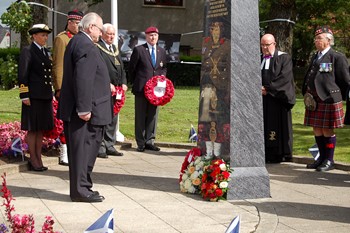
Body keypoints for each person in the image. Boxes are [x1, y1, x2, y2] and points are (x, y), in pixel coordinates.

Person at [58, 12, 111, 202]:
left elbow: (90, 75)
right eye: (100, 28)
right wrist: (83, 108)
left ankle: (84, 187)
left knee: (84, 152)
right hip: (85, 112)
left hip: (86, 109)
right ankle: (81, 190)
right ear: (91, 27)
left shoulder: (79, 41)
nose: (102, 32)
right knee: (82, 152)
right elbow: (83, 77)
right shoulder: (85, 44)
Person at [302, 26, 350, 172]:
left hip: (328, 99)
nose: (316, 41)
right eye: (315, 38)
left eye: (319, 38)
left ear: (329, 40)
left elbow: (345, 80)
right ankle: (321, 159)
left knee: (327, 130)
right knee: (317, 129)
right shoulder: (315, 56)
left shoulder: (337, 57)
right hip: (314, 99)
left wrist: (335, 96)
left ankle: (329, 160)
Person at [18, 24, 53, 172]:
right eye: (42, 35)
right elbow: (22, 74)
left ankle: (38, 157)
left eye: (46, 35)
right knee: (33, 129)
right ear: (34, 36)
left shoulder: (45, 52)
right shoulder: (28, 51)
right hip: (32, 96)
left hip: (44, 95)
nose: (45, 38)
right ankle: (33, 159)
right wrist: (24, 94)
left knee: (41, 129)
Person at [52, 10, 83, 166]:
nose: (78, 26)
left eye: (80, 24)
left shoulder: (82, 39)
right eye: (76, 23)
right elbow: (58, 65)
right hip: (66, 86)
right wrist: (58, 88)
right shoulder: (62, 39)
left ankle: (75, 150)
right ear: (69, 22)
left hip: (80, 86)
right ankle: (64, 151)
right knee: (66, 119)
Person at [128, 26, 167, 152]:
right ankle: (140, 142)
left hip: (156, 91)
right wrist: (137, 82)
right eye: (150, 35)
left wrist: (162, 79)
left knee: (153, 115)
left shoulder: (161, 51)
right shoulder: (139, 50)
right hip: (141, 89)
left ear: (158, 37)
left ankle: (150, 140)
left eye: (155, 35)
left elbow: (163, 68)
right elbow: (132, 68)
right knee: (140, 115)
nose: (153, 37)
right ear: (146, 36)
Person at [260, 33, 296, 163]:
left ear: (274, 44)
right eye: (262, 45)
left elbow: (284, 78)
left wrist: (267, 89)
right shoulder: (260, 59)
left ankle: (278, 153)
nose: (264, 48)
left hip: (277, 99)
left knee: (275, 127)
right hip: (262, 100)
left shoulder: (284, 58)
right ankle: (264, 152)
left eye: (267, 45)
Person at [96, 23, 127, 158]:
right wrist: (106, 83)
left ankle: (110, 144)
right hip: (104, 88)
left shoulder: (114, 48)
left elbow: (121, 68)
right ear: (102, 34)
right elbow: (98, 68)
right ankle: (101, 146)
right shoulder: (98, 47)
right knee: (103, 118)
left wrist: (124, 83)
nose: (112, 37)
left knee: (113, 118)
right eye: (109, 34)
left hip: (117, 89)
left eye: (113, 34)